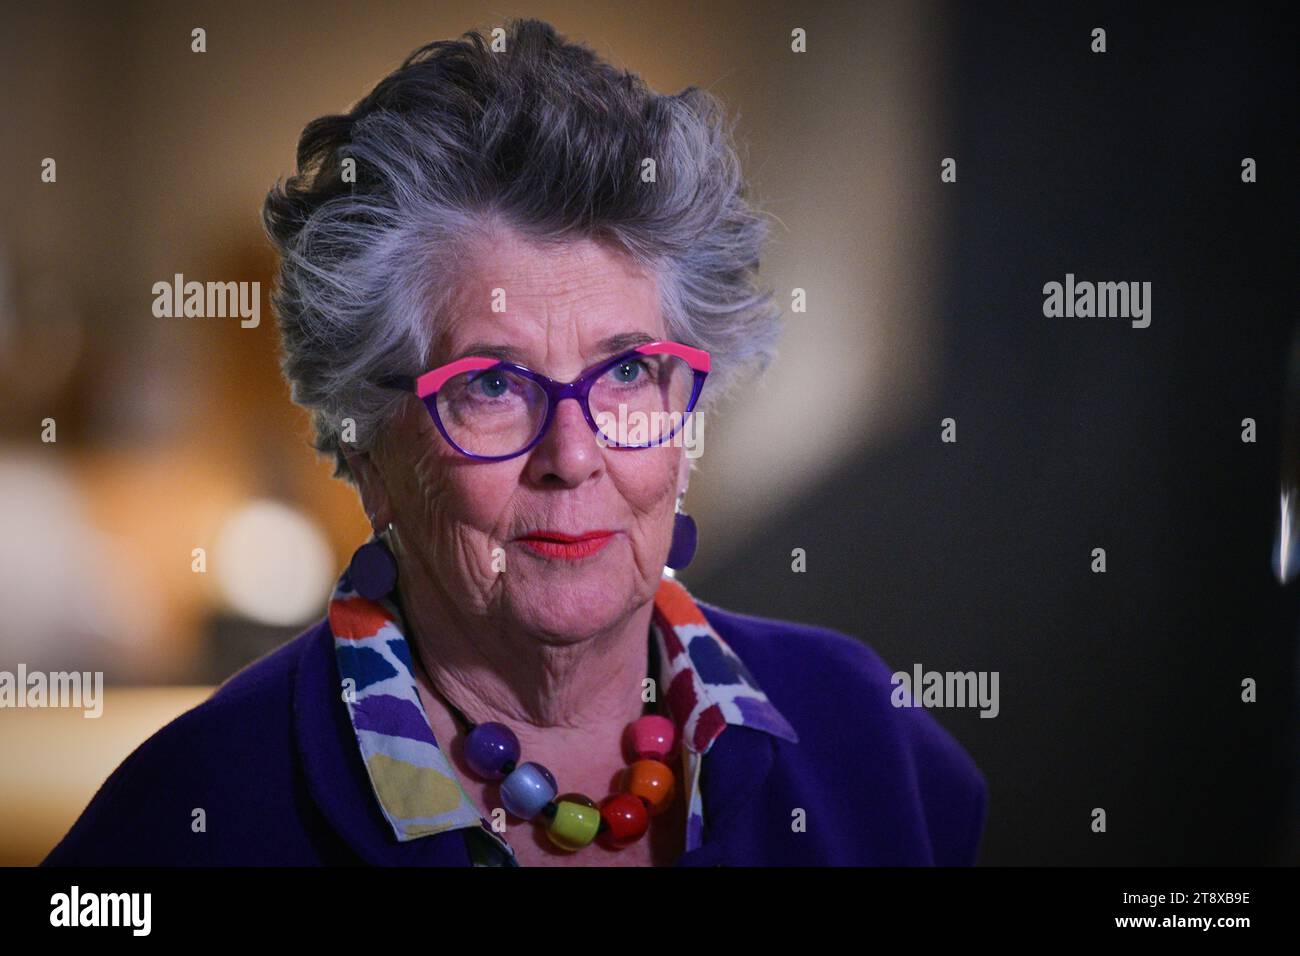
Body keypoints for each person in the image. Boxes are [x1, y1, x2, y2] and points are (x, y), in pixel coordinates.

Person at [42, 18, 986, 867]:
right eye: (491, 385)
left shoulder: (865, 732)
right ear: (368, 443)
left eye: (626, 373)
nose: (572, 456)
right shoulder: (193, 813)